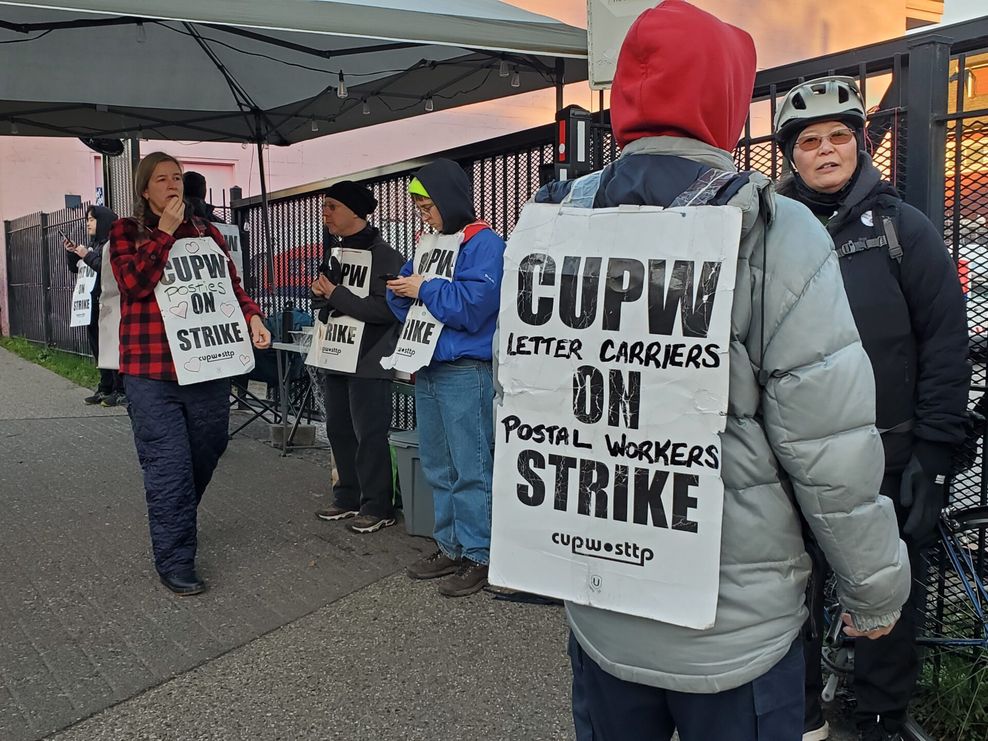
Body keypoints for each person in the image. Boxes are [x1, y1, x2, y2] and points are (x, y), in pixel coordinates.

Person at [532, 3, 910, 740]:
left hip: (603, 604)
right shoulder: (775, 230)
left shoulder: (554, 219)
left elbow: (526, 404)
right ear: (728, 103)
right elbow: (827, 448)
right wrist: (874, 592)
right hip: (734, 631)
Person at [774, 76, 970, 741]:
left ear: (859, 143)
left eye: (838, 136)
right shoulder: (770, 233)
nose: (825, 150)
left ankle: (881, 716)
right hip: (792, 459)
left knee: (887, 596)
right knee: (789, 598)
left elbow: (944, 340)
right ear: (790, 156)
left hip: (886, 455)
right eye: (809, 141)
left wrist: (936, 454)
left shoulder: (901, 228)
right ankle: (797, 717)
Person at [109, 152, 271, 596]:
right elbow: (133, 283)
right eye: (161, 179)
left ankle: (174, 516)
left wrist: (252, 317)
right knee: (169, 466)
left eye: (177, 178)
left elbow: (231, 287)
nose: (172, 185)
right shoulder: (127, 231)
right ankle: (176, 558)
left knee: (208, 448)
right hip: (151, 370)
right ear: (145, 190)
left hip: (207, 368)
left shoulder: (207, 231)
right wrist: (162, 235)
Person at [386, 159, 505, 597]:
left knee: (471, 466)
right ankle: (452, 545)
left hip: (464, 370)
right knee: (439, 464)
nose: (424, 214)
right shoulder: (433, 242)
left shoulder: (486, 244)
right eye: (418, 207)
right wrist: (412, 290)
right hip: (433, 366)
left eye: (427, 206)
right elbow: (400, 296)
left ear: (449, 201)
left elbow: (474, 308)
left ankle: (480, 554)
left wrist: (421, 290)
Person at [311, 181, 404, 533]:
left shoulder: (385, 255)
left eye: (332, 206)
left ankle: (378, 505)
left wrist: (335, 293)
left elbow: (385, 310)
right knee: (339, 428)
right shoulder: (335, 252)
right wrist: (322, 297)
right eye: (325, 205)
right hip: (335, 353)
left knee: (370, 433)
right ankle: (346, 497)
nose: (325, 213)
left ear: (354, 211)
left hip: (369, 358)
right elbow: (328, 302)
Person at [63, 205, 125, 406]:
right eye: (87, 219)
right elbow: (76, 268)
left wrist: (86, 255)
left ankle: (119, 389)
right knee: (98, 347)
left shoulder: (111, 245)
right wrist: (73, 253)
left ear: (104, 222)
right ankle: (105, 386)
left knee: (111, 347)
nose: (88, 223)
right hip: (92, 303)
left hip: (108, 302)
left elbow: (105, 268)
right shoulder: (94, 245)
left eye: (92, 219)